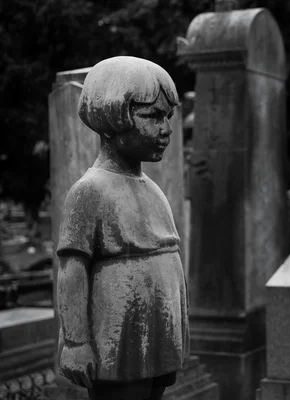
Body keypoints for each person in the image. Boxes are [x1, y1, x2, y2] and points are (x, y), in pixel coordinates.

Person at [56, 56, 189, 400]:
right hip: (117, 336)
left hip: (157, 332)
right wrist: (75, 342)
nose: (166, 129)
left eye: (168, 117)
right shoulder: (90, 190)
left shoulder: (151, 188)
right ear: (112, 117)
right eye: (153, 116)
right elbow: (73, 270)